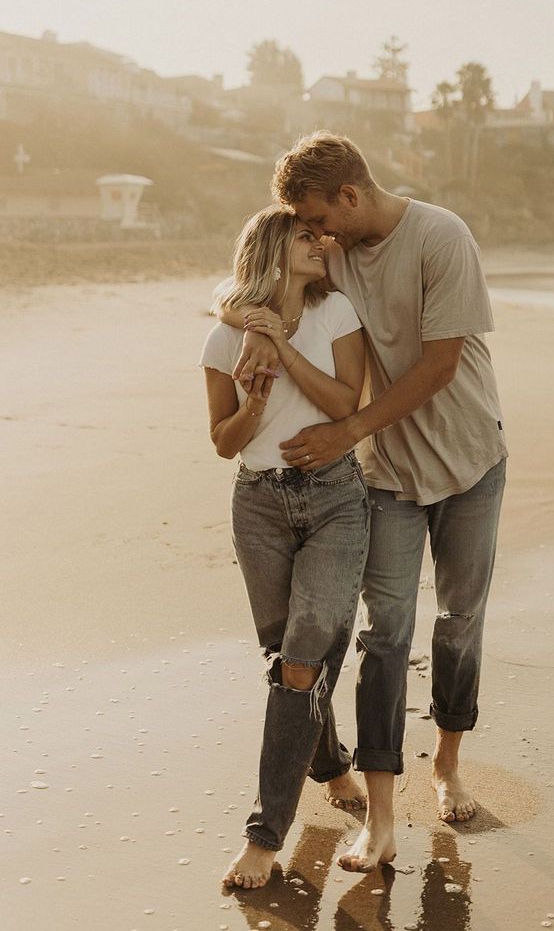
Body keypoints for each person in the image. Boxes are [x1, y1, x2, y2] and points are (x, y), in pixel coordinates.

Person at [222, 132, 508, 874]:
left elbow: (440, 365)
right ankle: (380, 820)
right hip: (386, 475)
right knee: (384, 635)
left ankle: (446, 760)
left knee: (459, 619)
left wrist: (347, 426)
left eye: (319, 219)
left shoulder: (442, 236)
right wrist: (256, 325)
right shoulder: (332, 249)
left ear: (349, 197)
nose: (315, 236)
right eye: (307, 228)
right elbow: (253, 277)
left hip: (472, 460)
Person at [199, 205, 370, 889]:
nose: (320, 244)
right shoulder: (223, 338)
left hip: (335, 498)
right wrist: (258, 401)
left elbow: (342, 403)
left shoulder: (336, 314)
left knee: (301, 662)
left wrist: (285, 347)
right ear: (275, 248)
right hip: (259, 505)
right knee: (290, 658)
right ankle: (328, 764)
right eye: (307, 236)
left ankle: (264, 835)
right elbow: (222, 442)